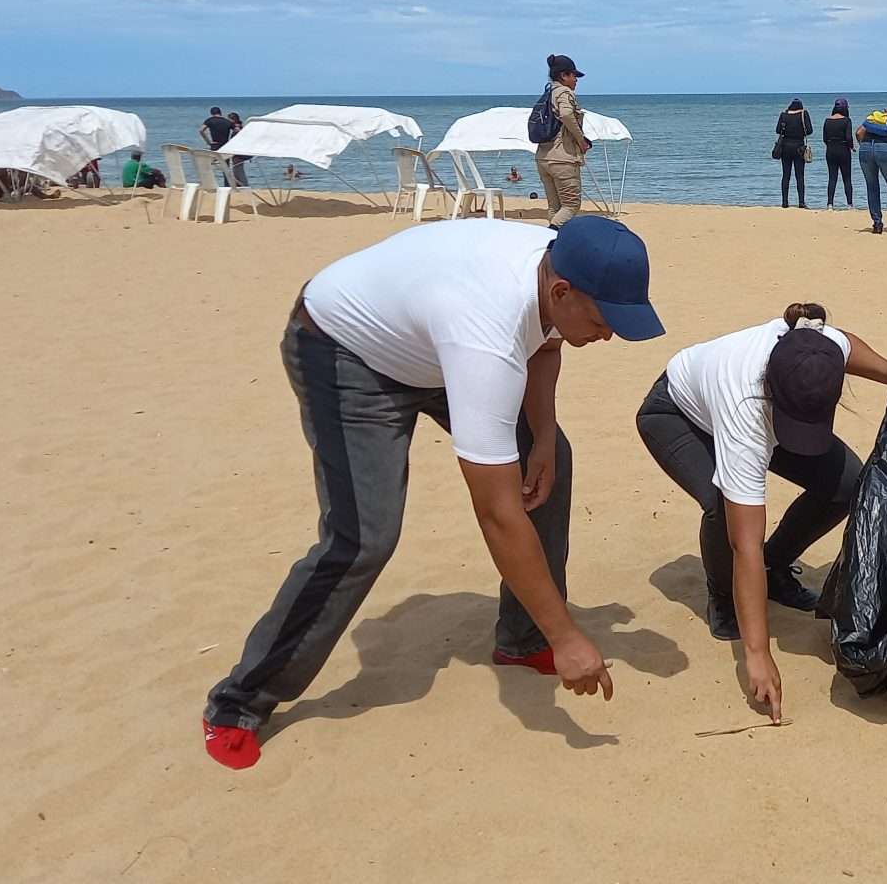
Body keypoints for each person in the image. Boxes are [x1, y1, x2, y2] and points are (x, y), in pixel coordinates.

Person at [200, 215, 666, 770]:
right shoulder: (486, 329)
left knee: (551, 462)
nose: (609, 334)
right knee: (364, 537)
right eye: (603, 319)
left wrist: (542, 437)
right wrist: (567, 637)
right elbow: (496, 513)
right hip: (345, 351)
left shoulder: (557, 263)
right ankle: (239, 701)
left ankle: (521, 638)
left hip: (429, 347)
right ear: (561, 291)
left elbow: (546, 342)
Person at [634, 303, 887, 719]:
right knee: (725, 509)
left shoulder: (814, 341)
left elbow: (842, 344)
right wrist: (758, 655)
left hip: (767, 407)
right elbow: (745, 545)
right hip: (677, 415)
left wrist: (886, 370)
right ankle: (723, 597)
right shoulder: (744, 411)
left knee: (847, 485)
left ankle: (775, 571)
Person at [537, 55, 590, 228]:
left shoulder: (549, 92)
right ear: (563, 76)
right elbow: (567, 114)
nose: (576, 80)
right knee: (571, 206)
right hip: (562, 158)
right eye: (574, 75)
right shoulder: (564, 92)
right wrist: (581, 140)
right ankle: (549, 241)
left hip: (543, 157)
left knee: (555, 207)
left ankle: (555, 248)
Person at [774, 98, 813, 209]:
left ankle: (785, 202)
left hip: (785, 146)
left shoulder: (783, 115)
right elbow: (809, 130)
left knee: (786, 175)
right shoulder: (803, 114)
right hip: (799, 147)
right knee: (800, 175)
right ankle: (801, 202)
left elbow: (778, 130)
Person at [822, 98, 854, 209]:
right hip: (843, 149)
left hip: (830, 149)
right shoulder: (846, 120)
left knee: (832, 177)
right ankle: (849, 204)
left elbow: (824, 138)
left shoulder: (827, 120)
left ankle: (830, 204)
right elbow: (849, 137)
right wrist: (852, 147)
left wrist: (830, 144)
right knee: (847, 178)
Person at [226, 112, 252, 187]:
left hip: (238, 153)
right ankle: (240, 186)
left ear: (233, 120)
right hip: (239, 153)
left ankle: (244, 186)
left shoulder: (237, 129)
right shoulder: (240, 128)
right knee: (236, 170)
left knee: (238, 171)